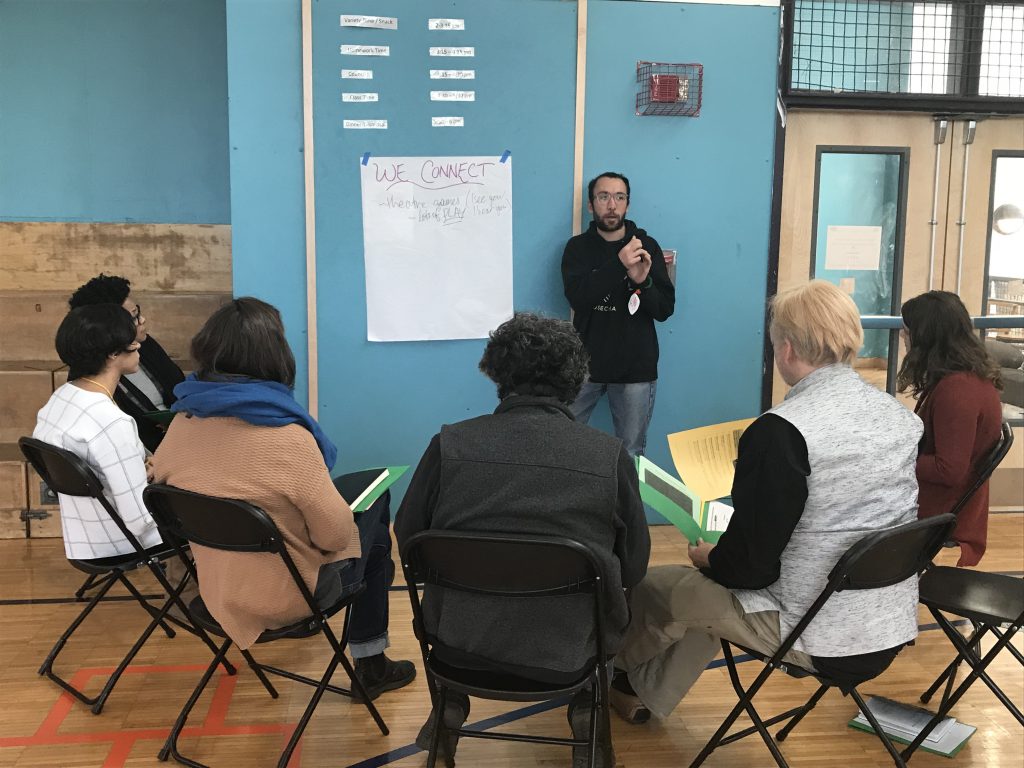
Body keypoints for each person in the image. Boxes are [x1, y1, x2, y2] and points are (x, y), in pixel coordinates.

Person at [610, 280, 923, 724]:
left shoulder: (782, 431)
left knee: (656, 586)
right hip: (887, 625)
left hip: (814, 633)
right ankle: (640, 693)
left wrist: (711, 557)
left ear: (788, 349)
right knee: (706, 597)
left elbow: (750, 571)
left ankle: (606, 676)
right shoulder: (900, 417)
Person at [396, 312, 651, 768]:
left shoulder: (449, 444)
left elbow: (410, 540)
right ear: (575, 379)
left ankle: (449, 708)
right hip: (569, 652)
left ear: (496, 373)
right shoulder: (608, 457)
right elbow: (634, 566)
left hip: (456, 645)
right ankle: (585, 716)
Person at [151, 297, 415, 699]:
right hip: (289, 600)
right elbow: (332, 539)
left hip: (216, 591)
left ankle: (373, 665)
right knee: (376, 532)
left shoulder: (181, 426)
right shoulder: (288, 439)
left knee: (370, 538)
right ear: (277, 356)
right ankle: (372, 665)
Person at [561, 171, 675, 456]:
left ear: (627, 203)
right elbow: (579, 299)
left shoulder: (646, 246)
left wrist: (642, 282)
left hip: (635, 369)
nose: (611, 205)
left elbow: (664, 309)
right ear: (591, 205)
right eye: (603, 197)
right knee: (561, 446)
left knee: (630, 454)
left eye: (619, 197)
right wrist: (619, 265)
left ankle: (625, 503)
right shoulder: (577, 248)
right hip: (583, 366)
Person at [33, 304, 160, 559]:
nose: (139, 346)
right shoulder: (111, 421)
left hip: (81, 536)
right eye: (133, 341)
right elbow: (139, 519)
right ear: (113, 353)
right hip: (123, 542)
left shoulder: (62, 397)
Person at [898, 290, 1003, 567]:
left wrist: (895, 459)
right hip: (940, 501)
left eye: (907, 331)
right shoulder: (963, 380)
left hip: (938, 509)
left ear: (927, 337)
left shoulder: (957, 391)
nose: (902, 337)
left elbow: (949, 469)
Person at [69, 274, 185, 452]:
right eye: (134, 317)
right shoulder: (91, 379)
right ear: (111, 327)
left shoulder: (146, 346)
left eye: (137, 312)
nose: (142, 320)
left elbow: (178, 385)